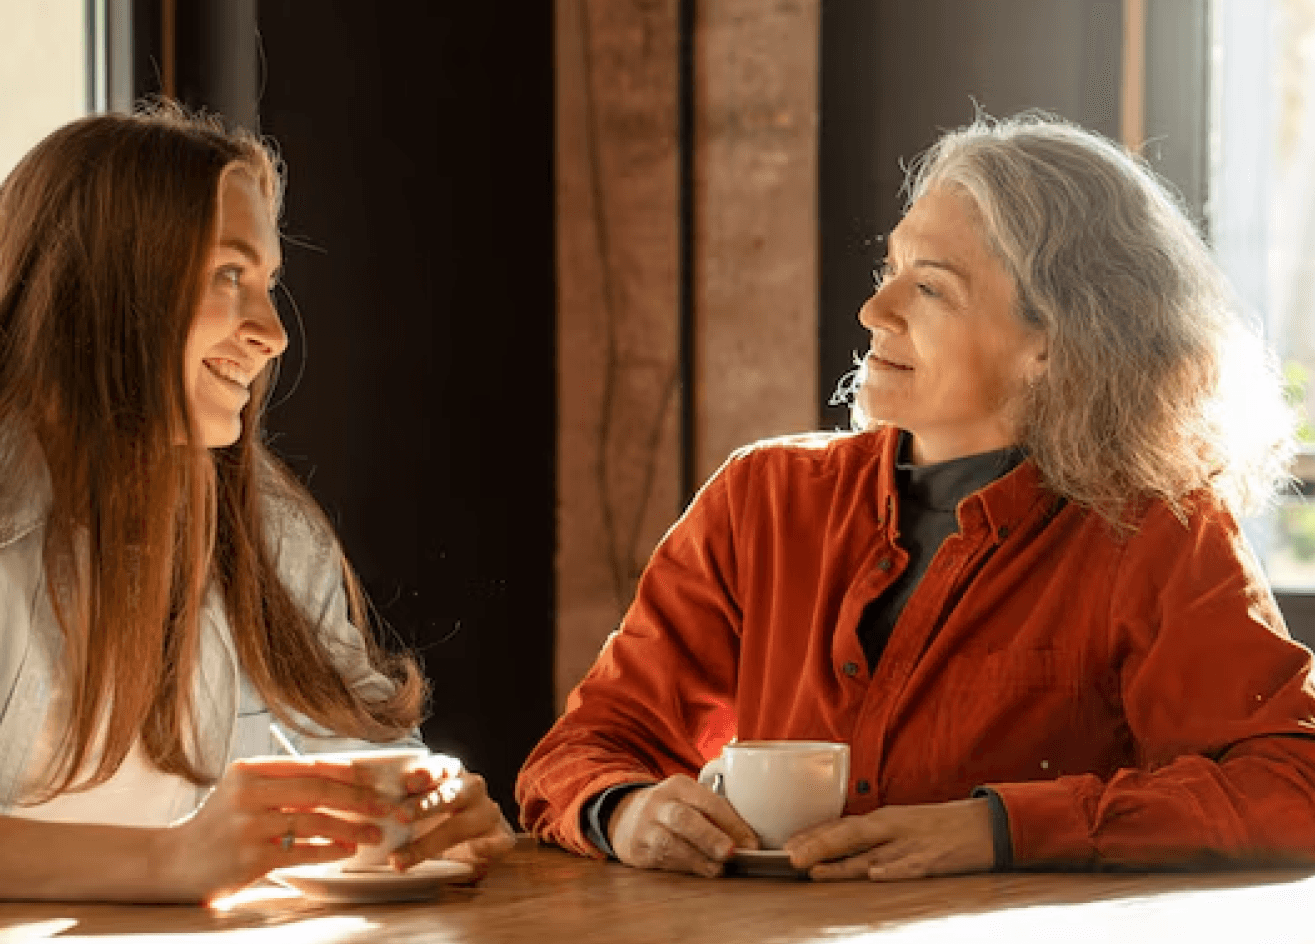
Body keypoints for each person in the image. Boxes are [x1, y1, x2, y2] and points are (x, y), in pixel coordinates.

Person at [0, 103, 513, 920]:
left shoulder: (265, 523)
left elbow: (343, 742)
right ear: (106, 287)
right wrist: (176, 859)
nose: (273, 333)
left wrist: (423, 806)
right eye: (228, 277)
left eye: (269, 283)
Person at [517, 112, 1315, 881]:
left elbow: (1292, 785)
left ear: (1054, 342)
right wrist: (623, 812)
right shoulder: (759, 497)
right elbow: (582, 751)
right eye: (887, 272)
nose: (873, 312)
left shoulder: (1156, 529)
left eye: (930, 290)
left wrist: (998, 828)